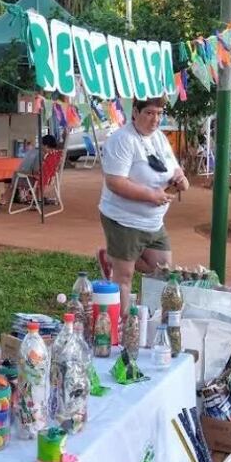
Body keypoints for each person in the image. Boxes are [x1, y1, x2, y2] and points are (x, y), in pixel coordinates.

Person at [97, 97, 189, 314]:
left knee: (162, 271)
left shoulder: (160, 139)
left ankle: (111, 257)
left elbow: (175, 171)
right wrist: (150, 195)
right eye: (149, 113)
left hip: (154, 221)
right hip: (124, 219)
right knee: (124, 277)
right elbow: (115, 182)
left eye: (159, 113)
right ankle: (119, 328)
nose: (155, 119)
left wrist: (181, 181)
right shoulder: (122, 140)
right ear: (135, 113)